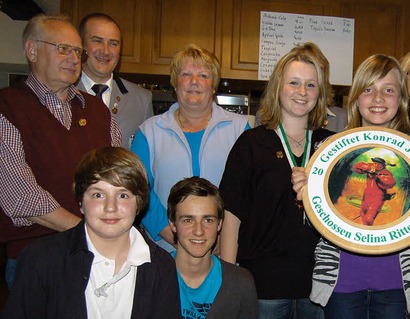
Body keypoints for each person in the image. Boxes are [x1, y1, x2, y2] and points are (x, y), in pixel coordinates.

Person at [292, 54, 410, 318]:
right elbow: (316, 224)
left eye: (388, 90)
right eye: (368, 89)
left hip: (397, 284)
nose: (378, 98)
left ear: (400, 99)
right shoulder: (327, 150)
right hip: (341, 283)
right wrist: (305, 198)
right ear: (356, 98)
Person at [0, 14, 120, 288]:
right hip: (35, 258)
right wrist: (92, 233)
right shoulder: (7, 107)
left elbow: (117, 179)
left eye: (78, 51)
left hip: (94, 257)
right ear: (32, 50)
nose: (74, 59)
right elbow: (21, 198)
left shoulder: (99, 112)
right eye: (63, 49)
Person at [218, 42, 333, 318]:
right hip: (263, 283)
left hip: (318, 284)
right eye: (294, 82)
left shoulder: (330, 146)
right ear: (278, 88)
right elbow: (232, 217)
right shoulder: (251, 144)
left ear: (320, 94)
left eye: (310, 85)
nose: (302, 92)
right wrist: (229, 279)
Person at [2, 147, 180, 318]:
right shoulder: (41, 260)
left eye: (123, 195)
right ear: (81, 201)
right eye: (98, 195)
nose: (110, 207)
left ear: (139, 204)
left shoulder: (162, 266)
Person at [131, 44, 249, 252]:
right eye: (186, 74)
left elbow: (249, 191)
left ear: (214, 86)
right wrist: (175, 236)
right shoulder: (149, 132)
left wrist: (224, 239)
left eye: (203, 75)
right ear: (175, 83)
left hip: (224, 250)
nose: (194, 81)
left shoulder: (240, 129)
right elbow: (139, 190)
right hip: (165, 251)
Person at [167, 176, 258, 319]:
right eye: (188, 220)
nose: (198, 231)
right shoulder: (153, 277)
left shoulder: (241, 283)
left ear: (220, 224)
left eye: (208, 220)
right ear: (172, 224)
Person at [77, 13, 154, 149]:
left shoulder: (141, 100)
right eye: (97, 41)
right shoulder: (63, 93)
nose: (106, 51)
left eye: (113, 43)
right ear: (81, 45)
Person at [353, 157, 397, 226]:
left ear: (382, 165)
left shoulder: (387, 174)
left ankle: (369, 230)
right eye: (374, 163)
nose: (374, 165)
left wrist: (377, 178)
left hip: (377, 198)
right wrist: (366, 169)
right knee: (363, 213)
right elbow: (356, 167)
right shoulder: (371, 167)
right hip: (367, 196)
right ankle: (366, 229)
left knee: (369, 218)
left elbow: (390, 184)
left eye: (377, 163)